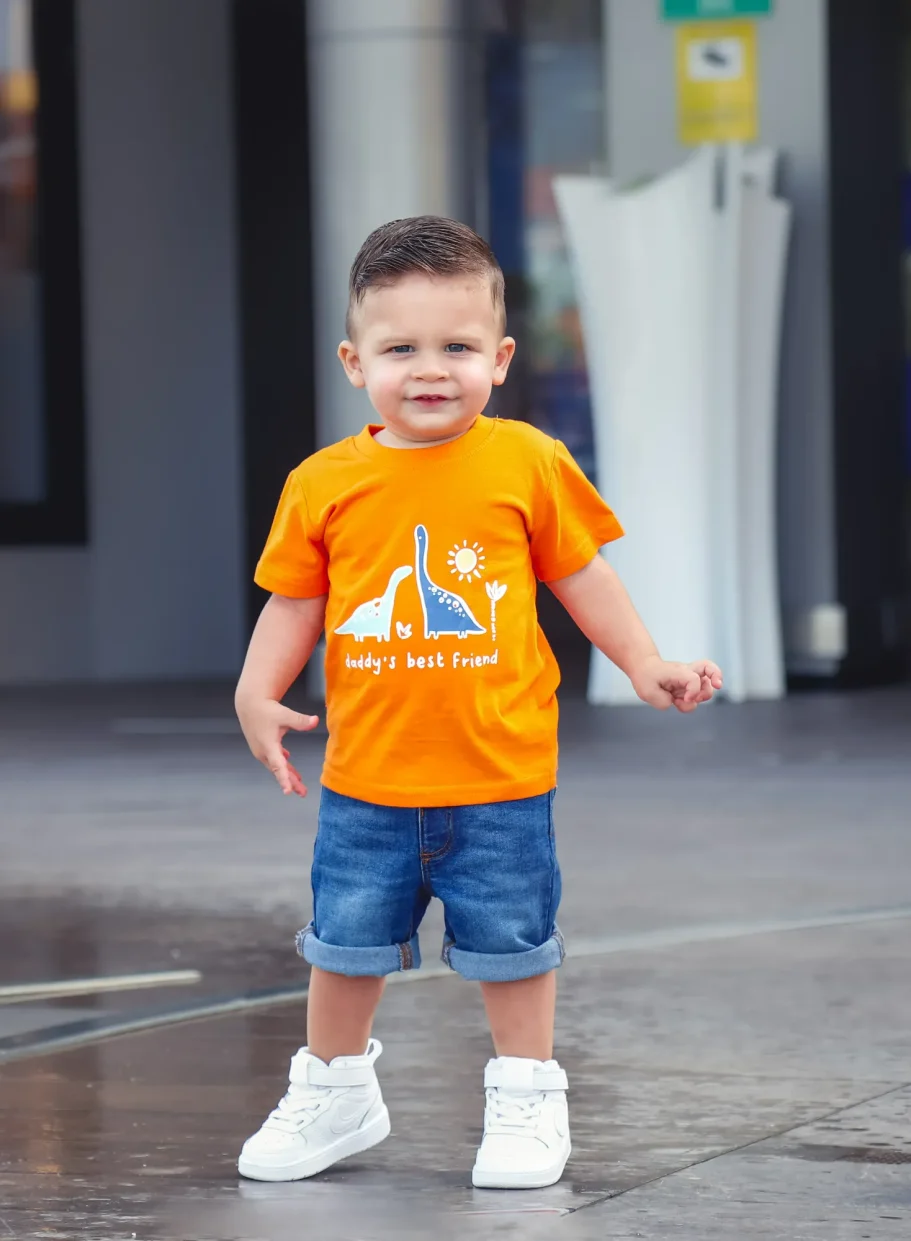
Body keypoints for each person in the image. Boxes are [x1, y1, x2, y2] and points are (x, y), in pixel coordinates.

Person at [234, 216, 723, 1190]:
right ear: (353, 361)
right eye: (399, 349)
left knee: (513, 946)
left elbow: (583, 576)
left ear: (498, 359)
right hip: (368, 783)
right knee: (344, 943)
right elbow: (294, 602)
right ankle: (335, 1089)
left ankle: (526, 1096)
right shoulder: (322, 482)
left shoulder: (527, 461)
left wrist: (642, 662)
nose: (430, 369)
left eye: (456, 347)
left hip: (500, 778)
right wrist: (256, 689)